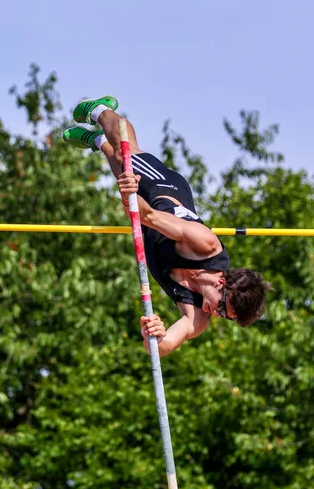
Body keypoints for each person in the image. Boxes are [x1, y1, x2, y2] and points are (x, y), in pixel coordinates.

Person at [62, 96, 271, 357]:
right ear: (221, 283)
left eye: (223, 316)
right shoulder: (203, 245)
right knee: (125, 152)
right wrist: (129, 195)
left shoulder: (198, 318)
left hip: (150, 221)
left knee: (119, 169)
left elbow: (166, 345)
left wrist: (155, 336)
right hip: (162, 190)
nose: (214, 314)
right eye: (220, 307)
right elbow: (146, 215)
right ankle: (100, 111)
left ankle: (96, 141)